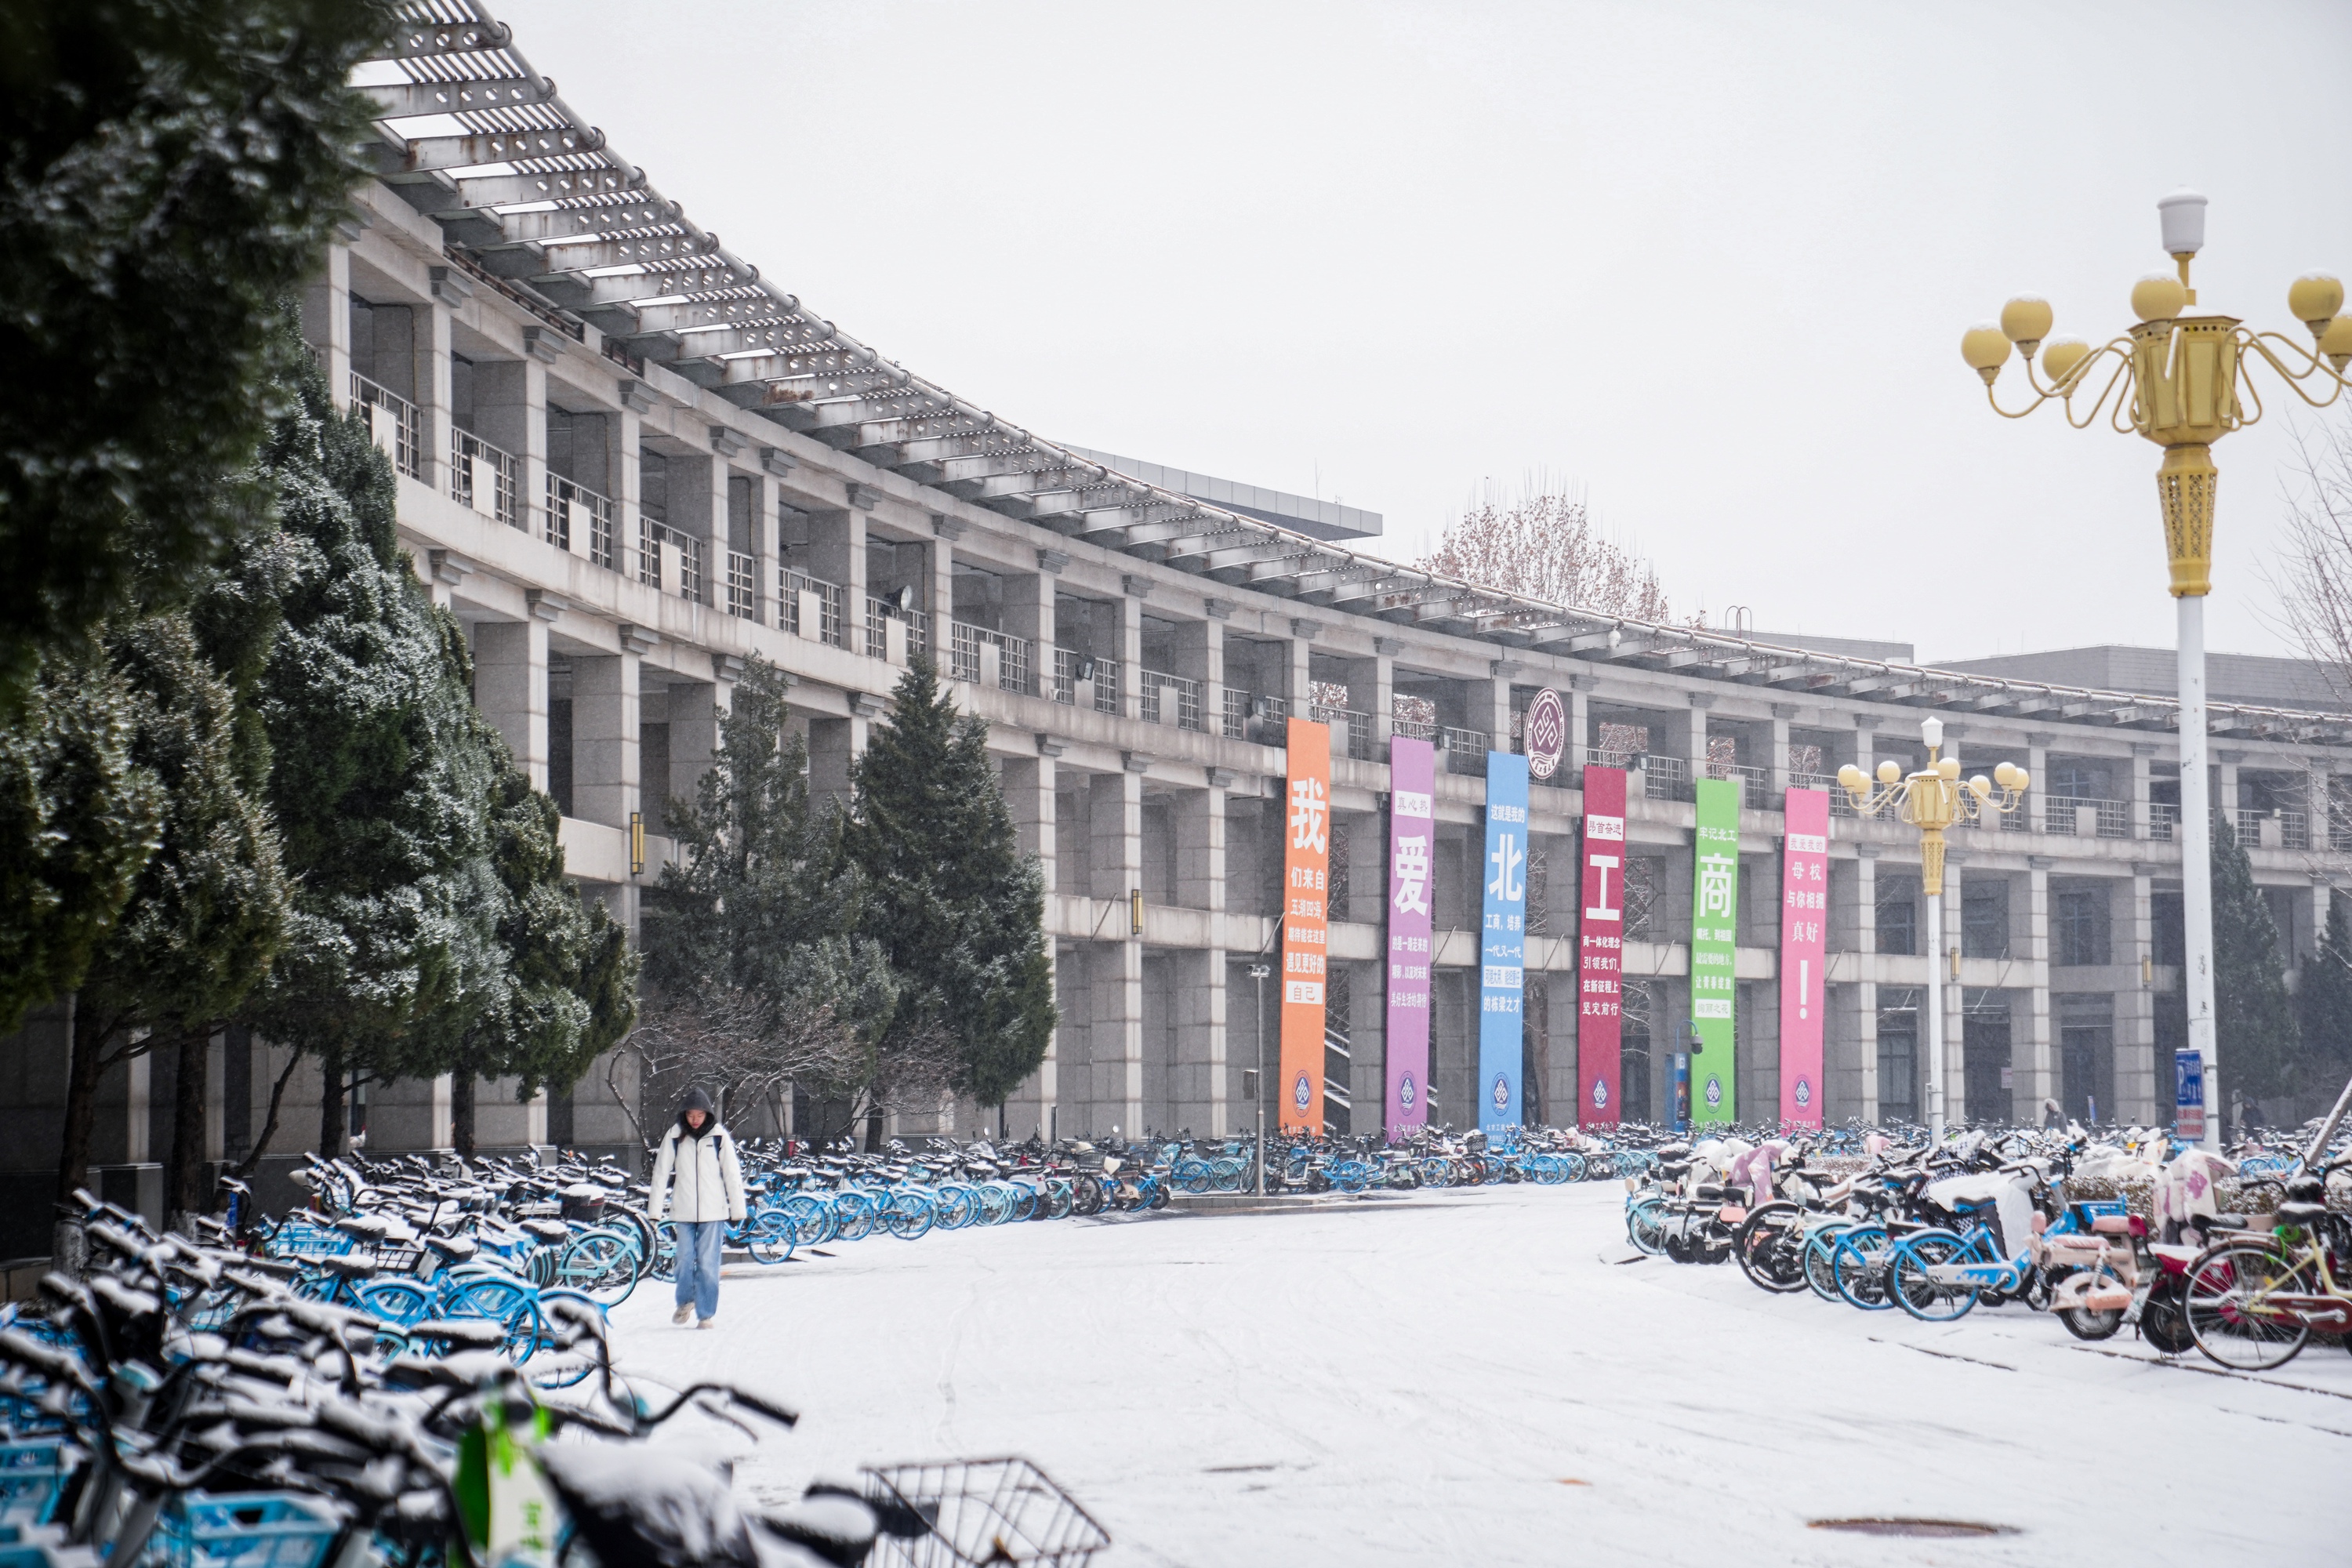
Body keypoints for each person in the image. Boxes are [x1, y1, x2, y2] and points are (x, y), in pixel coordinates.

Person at [648, 1087, 746, 1328]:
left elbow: (731, 1174)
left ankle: (706, 1314)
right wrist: (654, 1212)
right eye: (691, 1115)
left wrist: (737, 1209)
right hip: (684, 1209)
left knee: (708, 1263)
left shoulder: (719, 1136)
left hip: (713, 1211)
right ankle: (685, 1301)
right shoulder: (674, 1136)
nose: (695, 1119)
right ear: (684, 1114)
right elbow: (660, 1174)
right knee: (683, 1259)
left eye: (700, 1115)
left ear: (707, 1114)